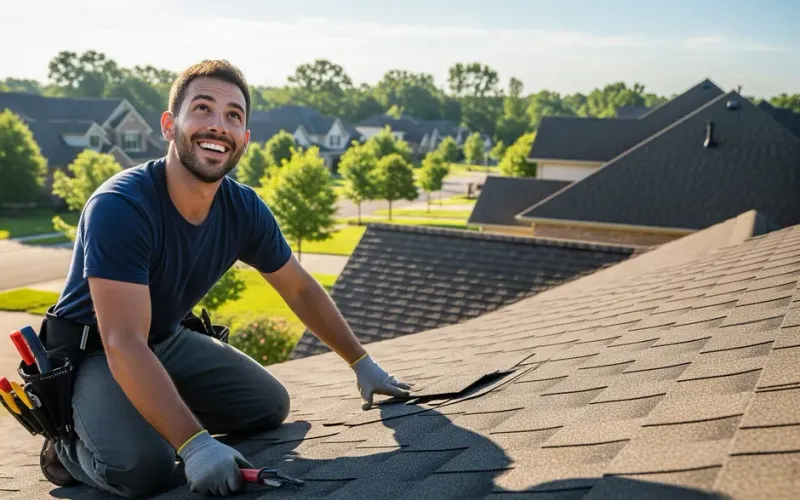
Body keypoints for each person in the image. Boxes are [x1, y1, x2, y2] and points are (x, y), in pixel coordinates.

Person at [39, 59, 412, 498]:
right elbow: (122, 341)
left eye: (233, 116)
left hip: (164, 339)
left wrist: (361, 362)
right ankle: (65, 447)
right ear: (169, 125)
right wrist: (195, 445)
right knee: (143, 469)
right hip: (94, 352)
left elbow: (298, 288)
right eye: (202, 108)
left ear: (244, 139)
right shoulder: (121, 206)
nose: (218, 125)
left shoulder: (243, 208)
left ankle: (150, 414)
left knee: (268, 407)